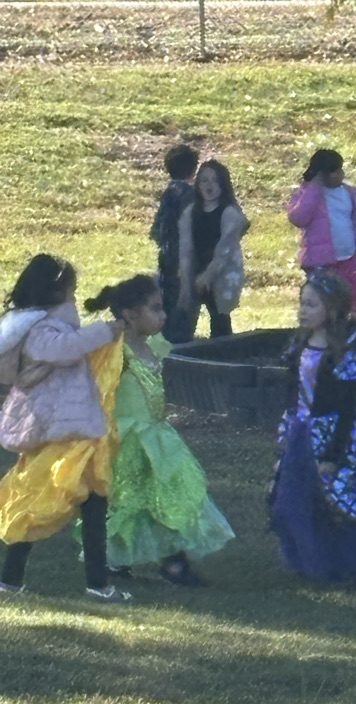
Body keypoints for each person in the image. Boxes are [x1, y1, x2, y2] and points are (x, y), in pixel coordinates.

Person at [84, 275, 235, 585]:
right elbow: (98, 389)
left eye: (162, 308)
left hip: (156, 437)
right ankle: (120, 558)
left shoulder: (153, 347)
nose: (163, 316)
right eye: (154, 309)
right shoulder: (117, 351)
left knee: (168, 494)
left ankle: (171, 561)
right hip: (129, 438)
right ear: (130, 315)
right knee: (129, 501)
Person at [0, 254, 128, 601]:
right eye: (71, 288)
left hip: (76, 431)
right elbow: (65, 350)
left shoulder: (53, 326)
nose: (75, 294)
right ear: (55, 291)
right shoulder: (38, 330)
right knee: (34, 502)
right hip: (53, 434)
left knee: (95, 502)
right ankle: (10, 580)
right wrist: (103, 332)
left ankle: (98, 583)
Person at [269, 269, 356, 581]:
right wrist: (288, 427)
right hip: (301, 433)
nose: (303, 310)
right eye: (302, 303)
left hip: (333, 437)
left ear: (332, 310)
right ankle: (306, 558)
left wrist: (332, 454)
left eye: (311, 305)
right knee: (292, 500)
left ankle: (339, 562)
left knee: (336, 502)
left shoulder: (341, 355)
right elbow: (294, 393)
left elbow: (346, 409)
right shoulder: (299, 346)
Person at [287, 149, 356, 326]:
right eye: (334, 171)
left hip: (349, 259)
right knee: (324, 302)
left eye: (340, 170)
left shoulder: (348, 193)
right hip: (321, 263)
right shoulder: (307, 194)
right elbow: (298, 218)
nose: (340, 175)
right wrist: (314, 188)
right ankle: (324, 333)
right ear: (322, 174)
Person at [177, 159, 249, 339]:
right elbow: (185, 248)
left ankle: (222, 348)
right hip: (196, 267)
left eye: (215, 181)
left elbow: (226, 248)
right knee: (185, 317)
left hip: (221, 271)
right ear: (198, 184)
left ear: (223, 185)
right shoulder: (190, 212)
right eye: (204, 180)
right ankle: (182, 347)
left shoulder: (229, 213)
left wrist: (209, 274)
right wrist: (186, 280)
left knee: (219, 317)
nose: (209, 186)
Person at [150, 143, 198, 344]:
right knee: (184, 309)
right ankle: (180, 346)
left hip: (167, 258)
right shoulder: (189, 195)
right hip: (185, 261)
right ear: (194, 168)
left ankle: (167, 343)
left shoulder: (169, 193)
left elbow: (157, 230)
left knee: (168, 304)